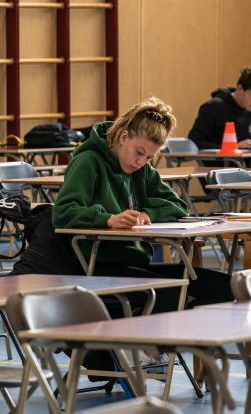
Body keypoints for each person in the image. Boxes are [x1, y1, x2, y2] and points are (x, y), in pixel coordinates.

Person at [17, 98, 234, 314]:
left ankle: (172, 339)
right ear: (123, 137)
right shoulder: (88, 161)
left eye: (149, 157)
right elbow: (63, 211)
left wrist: (147, 213)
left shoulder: (142, 170)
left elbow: (177, 205)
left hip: (135, 262)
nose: (141, 162)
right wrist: (107, 219)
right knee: (169, 293)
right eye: (139, 152)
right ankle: (152, 341)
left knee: (226, 287)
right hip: (96, 265)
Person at [188, 66, 251, 150]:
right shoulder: (214, 107)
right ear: (240, 89)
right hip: (220, 167)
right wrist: (232, 147)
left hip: (249, 166)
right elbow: (194, 141)